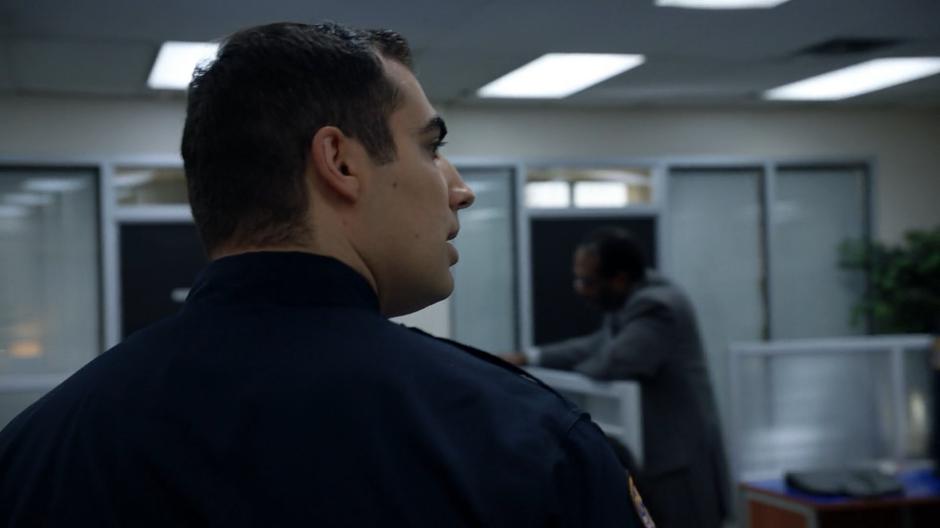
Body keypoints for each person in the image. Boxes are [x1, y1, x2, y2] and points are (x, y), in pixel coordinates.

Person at [0, 23, 652, 527]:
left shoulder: (38, 448)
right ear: (339, 162)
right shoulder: (522, 438)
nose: (459, 191)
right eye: (431, 148)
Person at [504, 227, 729, 528]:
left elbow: (613, 362)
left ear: (619, 279)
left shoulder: (657, 306)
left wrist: (579, 373)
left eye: (586, 281)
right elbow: (597, 344)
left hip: (677, 464)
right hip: (657, 456)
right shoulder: (628, 299)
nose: (579, 288)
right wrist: (529, 357)